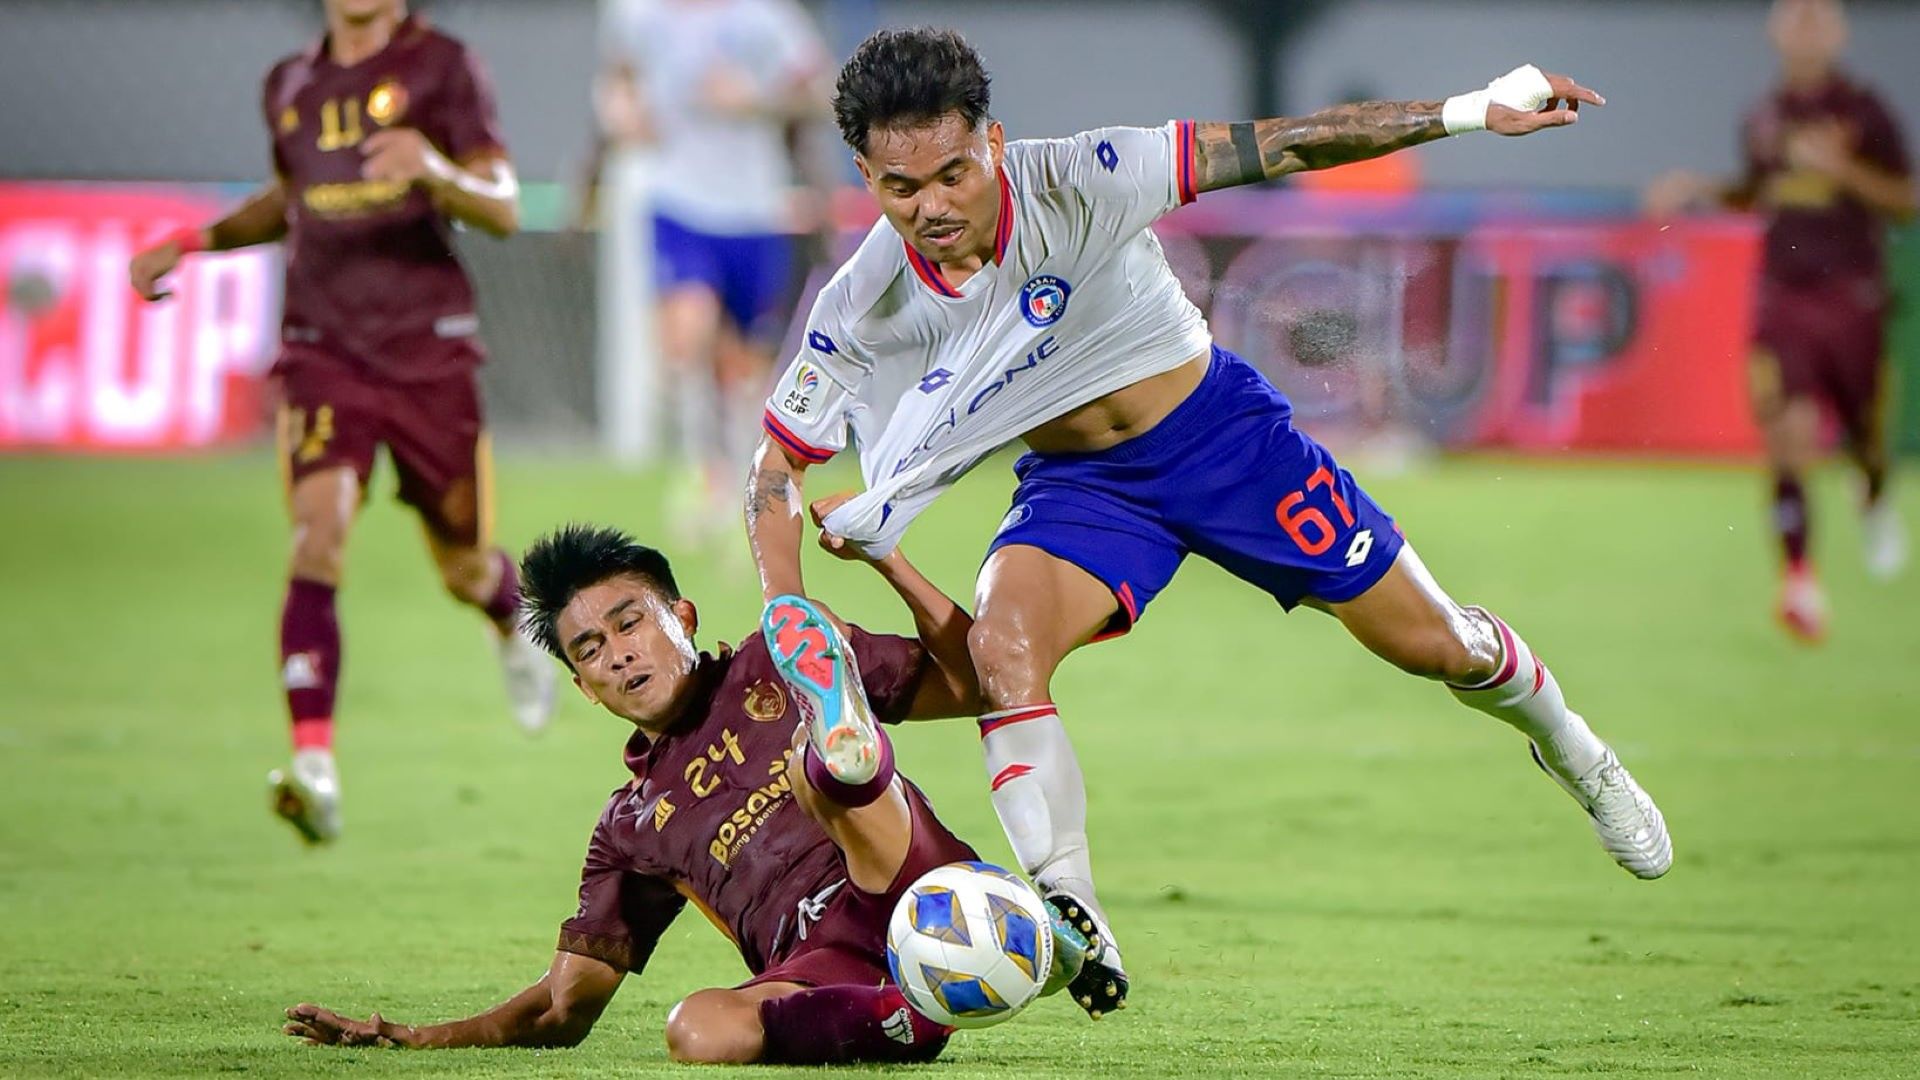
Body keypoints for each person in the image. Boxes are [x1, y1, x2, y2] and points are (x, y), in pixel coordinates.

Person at [744, 28, 1672, 1019]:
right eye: (900, 187)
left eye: (953, 174)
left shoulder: (1088, 177)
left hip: (1223, 442)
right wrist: (787, 613)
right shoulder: (861, 301)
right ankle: (1072, 916)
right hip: (1083, 487)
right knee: (1003, 646)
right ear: (865, 177)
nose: (932, 205)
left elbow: (1292, 144)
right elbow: (775, 470)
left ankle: (1575, 749)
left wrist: (1468, 111)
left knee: (1438, 648)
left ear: (996, 142)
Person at [281, 523, 1085, 1064]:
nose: (620, 657)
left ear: (683, 616)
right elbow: (564, 1010)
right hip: (820, 964)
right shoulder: (628, 828)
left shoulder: (782, 655)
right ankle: (908, 1011)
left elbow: (978, 683)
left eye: (631, 624)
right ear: (585, 689)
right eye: (591, 651)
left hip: (909, 872)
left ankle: (853, 758)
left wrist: (889, 560)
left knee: (823, 769)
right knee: (695, 1028)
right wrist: (405, 1036)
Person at [126, 0, 555, 846]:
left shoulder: (443, 65)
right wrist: (196, 240)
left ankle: (510, 615)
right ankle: (315, 767)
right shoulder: (290, 84)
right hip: (323, 352)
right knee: (315, 538)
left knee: (462, 565)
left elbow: (502, 206)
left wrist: (434, 169)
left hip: (430, 354)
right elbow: (294, 197)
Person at [1647, 0, 1914, 641]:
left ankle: (1874, 494)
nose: (1805, 31)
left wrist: (1841, 169)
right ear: (1776, 31)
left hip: (1853, 295)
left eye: (1817, 19)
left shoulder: (1865, 112)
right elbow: (1756, 192)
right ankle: (1798, 579)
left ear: (1838, 33)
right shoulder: (1764, 117)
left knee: (1865, 438)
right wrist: (1698, 190)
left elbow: (1905, 200)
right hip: (1784, 295)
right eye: (1794, 18)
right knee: (1787, 431)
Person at [597, 0, 834, 541]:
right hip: (677, 203)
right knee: (688, 335)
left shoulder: (767, 18)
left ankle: (736, 479)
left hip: (753, 211)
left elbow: (823, 94)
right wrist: (622, 110)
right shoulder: (638, 15)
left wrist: (758, 100)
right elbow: (619, 77)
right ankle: (698, 474)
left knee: (742, 369)